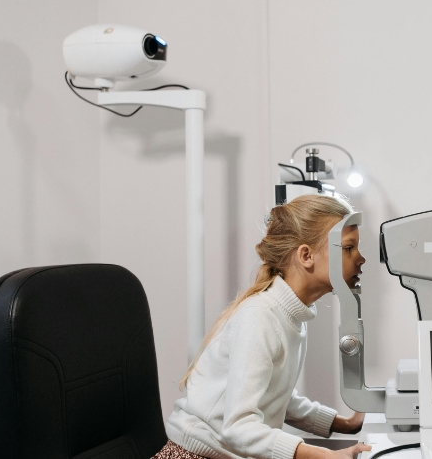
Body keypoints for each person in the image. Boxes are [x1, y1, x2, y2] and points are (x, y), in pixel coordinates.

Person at [154, 195, 372, 459]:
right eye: (348, 248)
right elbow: (238, 428)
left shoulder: (290, 316)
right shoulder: (261, 317)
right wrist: (325, 455)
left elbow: (277, 398)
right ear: (306, 255)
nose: (361, 258)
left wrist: (345, 423)